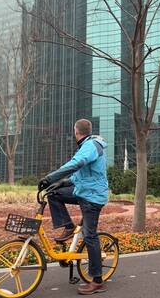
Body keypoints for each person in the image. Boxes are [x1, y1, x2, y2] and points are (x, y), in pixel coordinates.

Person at [38, 119, 109, 295]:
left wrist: (50, 178)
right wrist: (60, 184)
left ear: (76, 131)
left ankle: (97, 280)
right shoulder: (87, 145)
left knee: (89, 235)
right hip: (84, 191)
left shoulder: (91, 145)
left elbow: (76, 164)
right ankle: (69, 226)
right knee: (53, 194)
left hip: (92, 197)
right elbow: (79, 176)